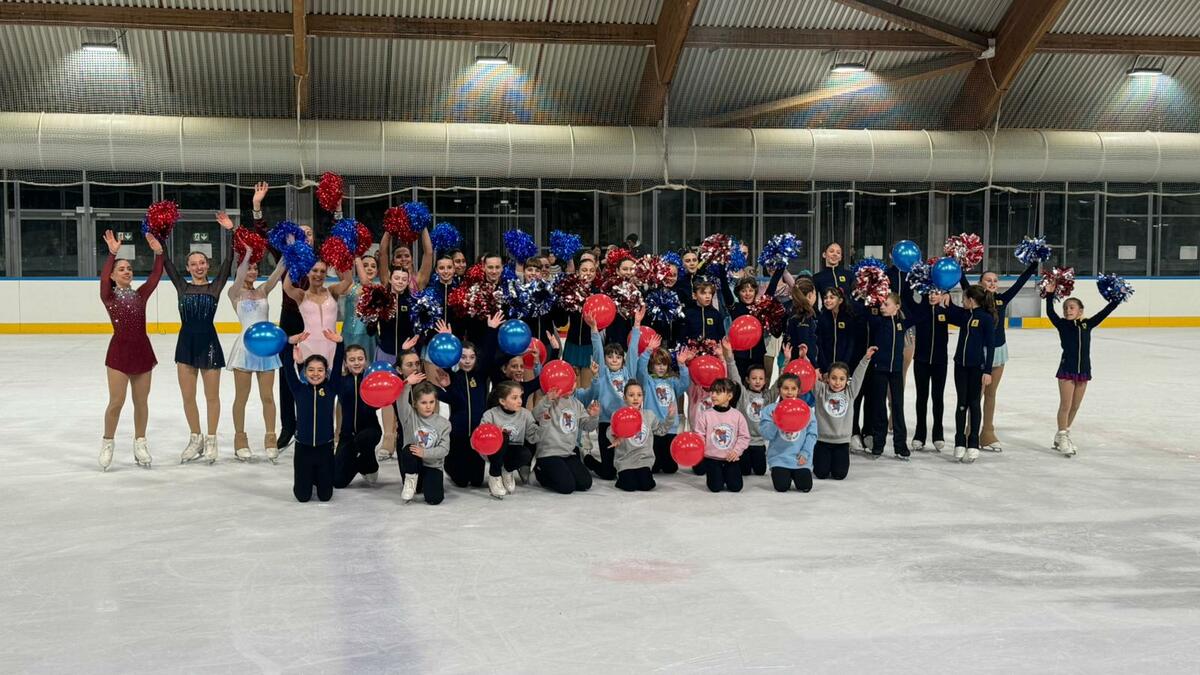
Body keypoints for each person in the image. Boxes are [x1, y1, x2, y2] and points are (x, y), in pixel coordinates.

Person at [165, 211, 234, 464]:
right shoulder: (182, 286)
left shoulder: (214, 287)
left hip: (209, 344)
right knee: (188, 396)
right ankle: (196, 438)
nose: (198, 267)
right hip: (185, 344)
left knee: (212, 396)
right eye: (193, 264)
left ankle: (212, 439)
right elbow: (165, 262)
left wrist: (230, 231)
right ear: (187, 268)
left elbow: (229, 261)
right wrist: (162, 232)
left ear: (207, 265)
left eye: (202, 262)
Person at [98, 230, 164, 471]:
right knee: (116, 401)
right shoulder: (108, 296)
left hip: (142, 351)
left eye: (129, 268)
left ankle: (140, 443)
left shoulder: (140, 295)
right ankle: (108, 442)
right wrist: (112, 254)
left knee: (141, 402)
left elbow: (155, 277)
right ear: (113, 275)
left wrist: (159, 253)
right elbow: (103, 279)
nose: (127, 271)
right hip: (119, 353)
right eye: (121, 269)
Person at [959, 262, 1039, 452]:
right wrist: (957, 261)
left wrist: (1034, 264)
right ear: (980, 283)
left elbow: (1019, 283)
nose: (993, 283)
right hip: (979, 353)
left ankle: (987, 432)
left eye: (995, 280)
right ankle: (970, 431)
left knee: (991, 393)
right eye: (988, 280)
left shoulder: (1002, 299)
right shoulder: (974, 299)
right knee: (975, 396)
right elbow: (962, 281)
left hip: (999, 350)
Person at [1043, 283, 1121, 456]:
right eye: (1065, 308)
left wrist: (1116, 299)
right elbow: (1050, 312)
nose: (1067, 310)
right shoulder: (1062, 324)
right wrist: (1049, 295)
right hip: (1067, 369)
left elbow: (1104, 313)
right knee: (1065, 405)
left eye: (1072, 307)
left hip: (1084, 370)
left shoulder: (1087, 324)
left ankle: (1063, 434)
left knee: (1075, 406)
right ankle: (1062, 436)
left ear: (1080, 310)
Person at [226, 248, 286, 462]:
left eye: (255, 268)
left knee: (267, 396)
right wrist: (248, 254)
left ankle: (270, 439)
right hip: (245, 348)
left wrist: (289, 247)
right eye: (248, 268)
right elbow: (240, 275)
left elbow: (278, 271)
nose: (252, 272)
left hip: (266, 348)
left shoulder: (263, 290)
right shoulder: (234, 293)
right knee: (241, 397)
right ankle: (240, 440)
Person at [280, 330, 345, 503]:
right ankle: (309, 477)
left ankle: (318, 477)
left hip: (325, 449)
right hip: (303, 450)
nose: (315, 374)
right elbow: (287, 367)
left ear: (325, 372)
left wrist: (339, 343)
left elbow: (338, 364)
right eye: (311, 370)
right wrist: (290, 344)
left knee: (325, 497)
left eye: (320, 370)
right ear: (305, 372)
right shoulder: (298, 389)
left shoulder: (331, 388)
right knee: (302, 497)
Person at [864, 293, 928, 459]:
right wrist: (871, 296)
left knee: (897, 407)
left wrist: (925, 294)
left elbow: (921, 314)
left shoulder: (902, 324)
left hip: (896, 372)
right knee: (879, 408)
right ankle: (878, 444)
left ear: (897, 307)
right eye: (881, 304)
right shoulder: (877, 322)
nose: (882, 307)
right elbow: (865, 312)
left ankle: (900, 446)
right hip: (879, 370)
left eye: (886, 304)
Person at [430, 320, 492, 489]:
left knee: (477, 481)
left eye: (471, 357)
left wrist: (491, 330)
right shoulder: (453, 377)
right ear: (457, 358)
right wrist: (448, 339)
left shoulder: (480, 376)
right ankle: (450, 466)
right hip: (458, 433)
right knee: (461, 482)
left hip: (477, 434)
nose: (467, 361)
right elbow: (453, 397)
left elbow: (488, 354)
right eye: (463, 357)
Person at [582, 306, 642, 480]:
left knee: (625, 466)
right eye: (610, 357)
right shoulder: (602, 373)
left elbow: (633, 350)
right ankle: (587, 459)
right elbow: (597, 351)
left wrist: (637, 325)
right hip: (606, 423)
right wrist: (594, 329)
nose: (614, 359)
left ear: (623, 359)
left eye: (618, 356)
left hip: (627, 422)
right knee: (609, 474)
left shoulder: (629, 373)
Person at [941, 286, 997, 463]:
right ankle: (959, 441)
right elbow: (951, 311)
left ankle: (973, 442)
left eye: (964, 299)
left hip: (977, 368)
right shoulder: (965, 315)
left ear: (971, 300)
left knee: (974, 404)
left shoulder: (986, 319)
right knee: (961, 404)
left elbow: (991, 346)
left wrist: (987, 371)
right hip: (960, 366)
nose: (962, 301)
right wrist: (946, 296)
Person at [811, 348, 875, 480]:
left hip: (842, 443)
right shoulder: (820, 390)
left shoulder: (850, 392)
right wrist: (804, 359)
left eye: (841, 379)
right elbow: (807, 376)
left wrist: (866, 359)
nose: (837, 382)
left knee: (839, 475)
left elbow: (858, 376)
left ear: (847, 380)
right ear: (827, 378)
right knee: (821, 474)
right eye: (833, 378)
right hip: (822, 441)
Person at [282, 259, 354, 367]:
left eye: (322, 271)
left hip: (332, 345)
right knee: (310, 376)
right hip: (308, 346)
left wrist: (342, 258)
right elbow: (286, 287)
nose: (318, 274)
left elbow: (348, 281)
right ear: (307, 272)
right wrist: (294, 259)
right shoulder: (301, 295)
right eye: (315, 270)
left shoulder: (332, 291)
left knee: (333, 376)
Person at [636, 335, 692, 474]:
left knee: (670, 468)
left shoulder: (672, 382)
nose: (661, 367)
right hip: (653, 428)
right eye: (658, 364)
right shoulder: (647, 381)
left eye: (664, 364)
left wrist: (682, 365)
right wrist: (648, 351)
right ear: (652, 365)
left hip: (670, 428)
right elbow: (640, 370)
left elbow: (685, 384)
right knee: (654, 467)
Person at [394, 375, 451, 505]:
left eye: (431, 402)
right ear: (415, 403)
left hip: (432, 465)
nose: (428, 406)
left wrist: (424, 453)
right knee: (408, 450)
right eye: (423, 403)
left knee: (434, 499)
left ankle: (427, 481)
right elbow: (400, 400)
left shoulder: (444, 424)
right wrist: (407, 384)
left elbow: (444, 450)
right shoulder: (409, 416)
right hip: (414, 464)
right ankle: (411, 480)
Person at [608, 381, 674, 492]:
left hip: (643, 460)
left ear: (643, 397)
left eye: (639, 395)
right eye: (631, 395)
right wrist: (615, 437)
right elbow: (609, 431)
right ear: (624, 398)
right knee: (630, 486)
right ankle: (621, 476)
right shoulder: (618, 414)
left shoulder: (649, 415)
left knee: (647, 485)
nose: (635, 398)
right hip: (626, 461)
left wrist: (670, 417)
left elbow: (661, 430)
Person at [532, 390, 600, 495]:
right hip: (549, 453)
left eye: (573, 383)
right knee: (567, 487)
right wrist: (547, 400)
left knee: (585, 483)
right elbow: (535, 415)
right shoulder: (550, 400)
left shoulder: (577, 403)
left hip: (568, 453)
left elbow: (588, 427)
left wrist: (594, 417)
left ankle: (560, 471)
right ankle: (539, 472)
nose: (571, 386)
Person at [759, 373, 819, 493]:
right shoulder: (770, 410)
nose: (789, 392)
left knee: (805, 487)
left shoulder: (806, 410)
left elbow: (812, 434)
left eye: (793, 388)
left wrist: (805, 453)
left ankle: (796, 473)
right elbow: (766, 435)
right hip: (779, 458)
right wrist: (776, 421)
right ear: (779, 389)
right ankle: (781, 472)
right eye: (785, 388)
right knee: (782, 487)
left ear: (799, 391)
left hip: (800, 458)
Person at [480, 381, 541, 498]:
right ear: (502, 401)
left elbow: (532, 438)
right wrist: (494, 432)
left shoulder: (525, 414)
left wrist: (544, 424)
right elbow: (481, 438)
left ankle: (507, 470)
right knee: (503, 436)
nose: (520, 401)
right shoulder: (490, 414)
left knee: (525, 454)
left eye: (520, 396)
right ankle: (494, 475)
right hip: (493, 453)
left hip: (513, 451)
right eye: (514, 398)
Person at [332, 344, 381, 488]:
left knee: (363, 439)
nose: (356, 363)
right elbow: (335, 366)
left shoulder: (371, 381)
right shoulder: (340, 381)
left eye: (360, 359)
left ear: (365, 360)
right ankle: (360, 463)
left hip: (370, 431)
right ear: (345, 362)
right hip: (347, 435)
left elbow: (391, 381)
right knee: (337, 482)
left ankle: (370, 464)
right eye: (352, 360)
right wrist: (340, 343)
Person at [693, 377, 750, 493]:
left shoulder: (737, 415)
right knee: (715, 487)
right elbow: (699, 435)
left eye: (718, 393)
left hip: (731, 459)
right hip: (712, 458)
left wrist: (736, 451)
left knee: (736, 487)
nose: (713, 395)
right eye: (712, 392)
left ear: (729, 396)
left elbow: (744, 437)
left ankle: (726, 474)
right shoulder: (705, 415)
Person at [909, 290, 950, 452]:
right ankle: (919, 434)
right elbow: (906, 297)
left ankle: (938, 434)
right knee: (921, 398)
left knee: (938, 398)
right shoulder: (920, 310)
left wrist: (949, 298)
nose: (933, 296)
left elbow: (963, 316)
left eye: (937, 293)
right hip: (921, 361)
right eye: (930, 293)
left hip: (940, 362)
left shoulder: (945, 311)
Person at [727, 346, 773, 477]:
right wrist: (729, 356)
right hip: (743, 443)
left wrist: (786, 360)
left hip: (759, 443)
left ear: (765, 381)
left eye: (761, 379)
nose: (757, 381)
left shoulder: (767, 397)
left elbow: (779, 383)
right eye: (754, 378)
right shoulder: (743, 394)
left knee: (760, 471)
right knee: (745, 472)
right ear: (747, 380)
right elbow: (734, 375)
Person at [340, 255, 378, 361]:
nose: (369, 268)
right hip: (348, 334)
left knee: (368, 364)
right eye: (365, 265)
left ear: (377, 271)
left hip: (369, 337)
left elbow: (366, 284)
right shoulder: (349, 286)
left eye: (373, 266)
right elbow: (341, 269)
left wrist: (357, 256)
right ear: (358, 268)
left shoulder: (378, 289)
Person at [816, 287, 855, 374]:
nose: (827, 300)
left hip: (843, 366)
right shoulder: (822, 318)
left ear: (840, 300)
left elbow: (850, 343)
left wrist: (844, 364)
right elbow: (819, 343)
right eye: (825, 298)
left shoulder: (848, 318)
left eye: (832, 297)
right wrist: (824, 367)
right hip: (825, 367)